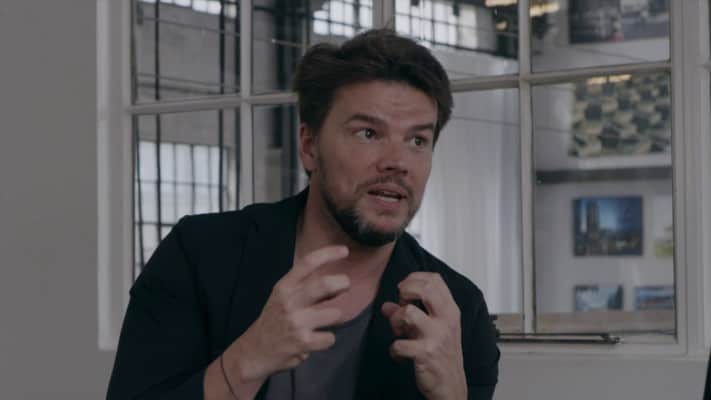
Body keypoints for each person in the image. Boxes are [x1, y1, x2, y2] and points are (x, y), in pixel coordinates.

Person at [107, 28, 500, 400]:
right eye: (368, 133)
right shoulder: (199, 254)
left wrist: (453, 395)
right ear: (310, 146)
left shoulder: (460, 311)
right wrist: (247, 360)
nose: (398, 161)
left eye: (417, 140)